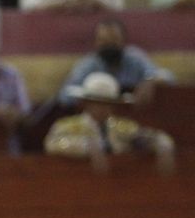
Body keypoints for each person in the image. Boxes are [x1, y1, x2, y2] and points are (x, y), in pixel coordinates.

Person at [44, 71, 175, 170]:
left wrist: (162, 143)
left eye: (107, 104)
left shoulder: (123, 126)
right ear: (85, 103)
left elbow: (150, 137)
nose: (103, 108)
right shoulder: (67, 126)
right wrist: (84, 146)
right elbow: (51, 144)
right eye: (97, 103)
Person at [58, 19, 174, 108]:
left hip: (133, 119)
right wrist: (91, 98)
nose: (109, 44)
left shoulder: (135, 57)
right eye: (104, 40)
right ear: (96, 43)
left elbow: (169, 77)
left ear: (123, 41)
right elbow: (65, 97)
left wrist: (150, 81)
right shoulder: (88, 64)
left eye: (114, 39)